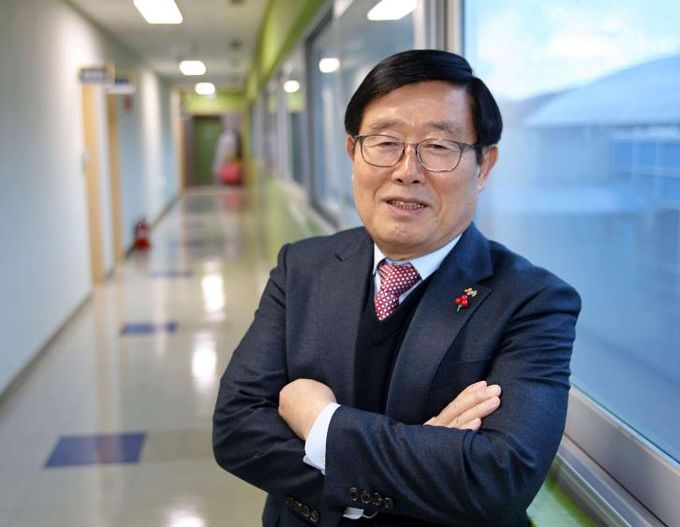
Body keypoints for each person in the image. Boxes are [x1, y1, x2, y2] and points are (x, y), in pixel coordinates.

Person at [213, 49, 581, 527]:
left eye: (439, 146)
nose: (407, 170)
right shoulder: (301, 267)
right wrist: (418, 459)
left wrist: (321, 422)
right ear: (353, 153)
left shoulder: (532, 301)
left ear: (484, 166)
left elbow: (500, 478)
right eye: (385, 143)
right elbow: (237, 429)